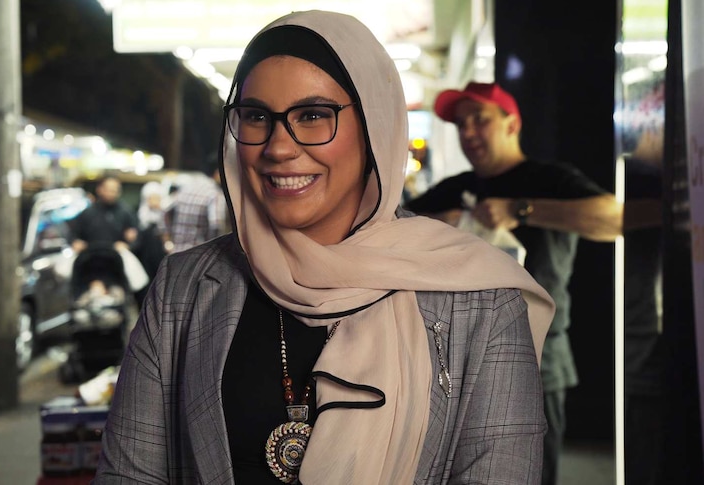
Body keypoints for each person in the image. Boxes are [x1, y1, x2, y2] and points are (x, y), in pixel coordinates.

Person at [94, 10, 554, 485]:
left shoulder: (482, 299)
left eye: (313, 115)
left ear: (375, 125)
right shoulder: (184, 287)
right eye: (255, 117)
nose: (278, 147)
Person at [404, 81, 623, 485]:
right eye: (460, 124)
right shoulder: (456, 191)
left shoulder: (550, 180)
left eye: (479, 120)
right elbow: (387, 230)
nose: (468, 132)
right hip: (455, 356)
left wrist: (520, 210)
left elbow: (613, 218)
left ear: (511, 124)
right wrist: (434, 227)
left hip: (538, 351)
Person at [70, 175, 149, 297]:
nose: (113, 193)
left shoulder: (126, 213)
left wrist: (128, 244)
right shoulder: (87, 213)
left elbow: (136, 239)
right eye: (109, 189)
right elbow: (74, 235)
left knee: (138, 280)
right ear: (99, 189)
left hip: (116, 262)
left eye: (116, 190)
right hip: (89, 261)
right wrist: (76, 243)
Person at [167, 154, 228, 252]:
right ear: (218, 173)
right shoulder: (215, 194)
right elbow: (216, 225)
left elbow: (165, 210)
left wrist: (167, 241)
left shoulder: (187, 188)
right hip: (199, 255)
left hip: (176, 253)